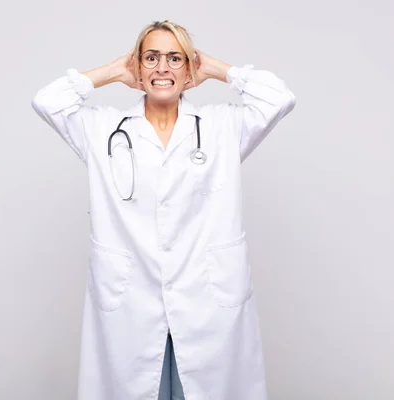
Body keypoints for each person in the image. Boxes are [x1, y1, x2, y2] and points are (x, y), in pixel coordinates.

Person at [31, 20, 296, 400]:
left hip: (207, 301)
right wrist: (111, 72)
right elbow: (47, 101)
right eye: (151, 58)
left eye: (175, 58)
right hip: (131, 302)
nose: (162, 68)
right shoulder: (103, 128)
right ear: (137, 67)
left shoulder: (223, 126)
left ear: (189, 69)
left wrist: (218, 69)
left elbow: (280, 98)